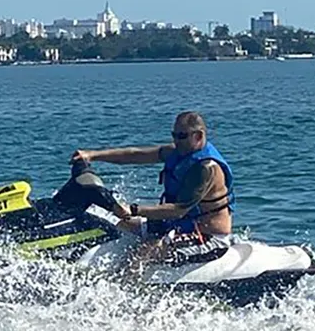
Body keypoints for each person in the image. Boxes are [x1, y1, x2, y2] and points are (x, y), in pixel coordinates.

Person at [69, 111, 235, 266]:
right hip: (177, 225)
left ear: (198, 136)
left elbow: (178, 210)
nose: (176, 140)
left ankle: (127, 293)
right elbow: (135, 155)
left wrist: (134, 209)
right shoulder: (176, 152)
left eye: (182, 136)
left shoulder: (206, 168)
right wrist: (92, 155)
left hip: (208, 235)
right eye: (174, 135)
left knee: (140, 256)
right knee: (121, 226)